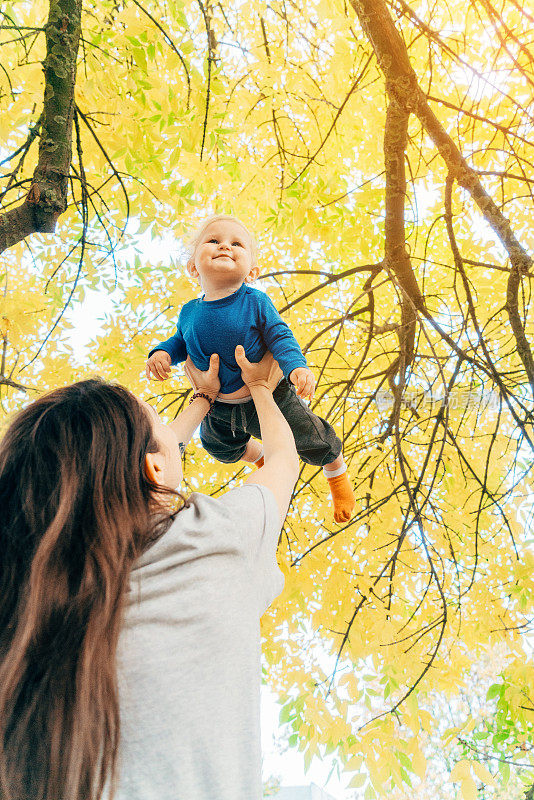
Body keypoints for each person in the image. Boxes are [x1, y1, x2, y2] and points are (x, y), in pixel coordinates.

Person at [0, 347, 298, 800]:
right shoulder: (207, 541)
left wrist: (200, 400)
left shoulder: (18, 612)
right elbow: (282, 460)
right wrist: (259, 387)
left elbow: (152, 459)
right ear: (153, 465)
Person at [146, 213, 356, 523]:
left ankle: (336, 477)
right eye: (214, 241)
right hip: (218, 405)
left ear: (252, 271)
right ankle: (258, 457)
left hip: (271, 397)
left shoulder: (254, 301)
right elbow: (181, 341)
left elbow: (279, 334)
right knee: (217, 446)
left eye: (236, 244)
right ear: (193, 266)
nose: (225, 247)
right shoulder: (189, 311)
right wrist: (163, 353)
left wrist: (296, 367)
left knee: (312, 437)